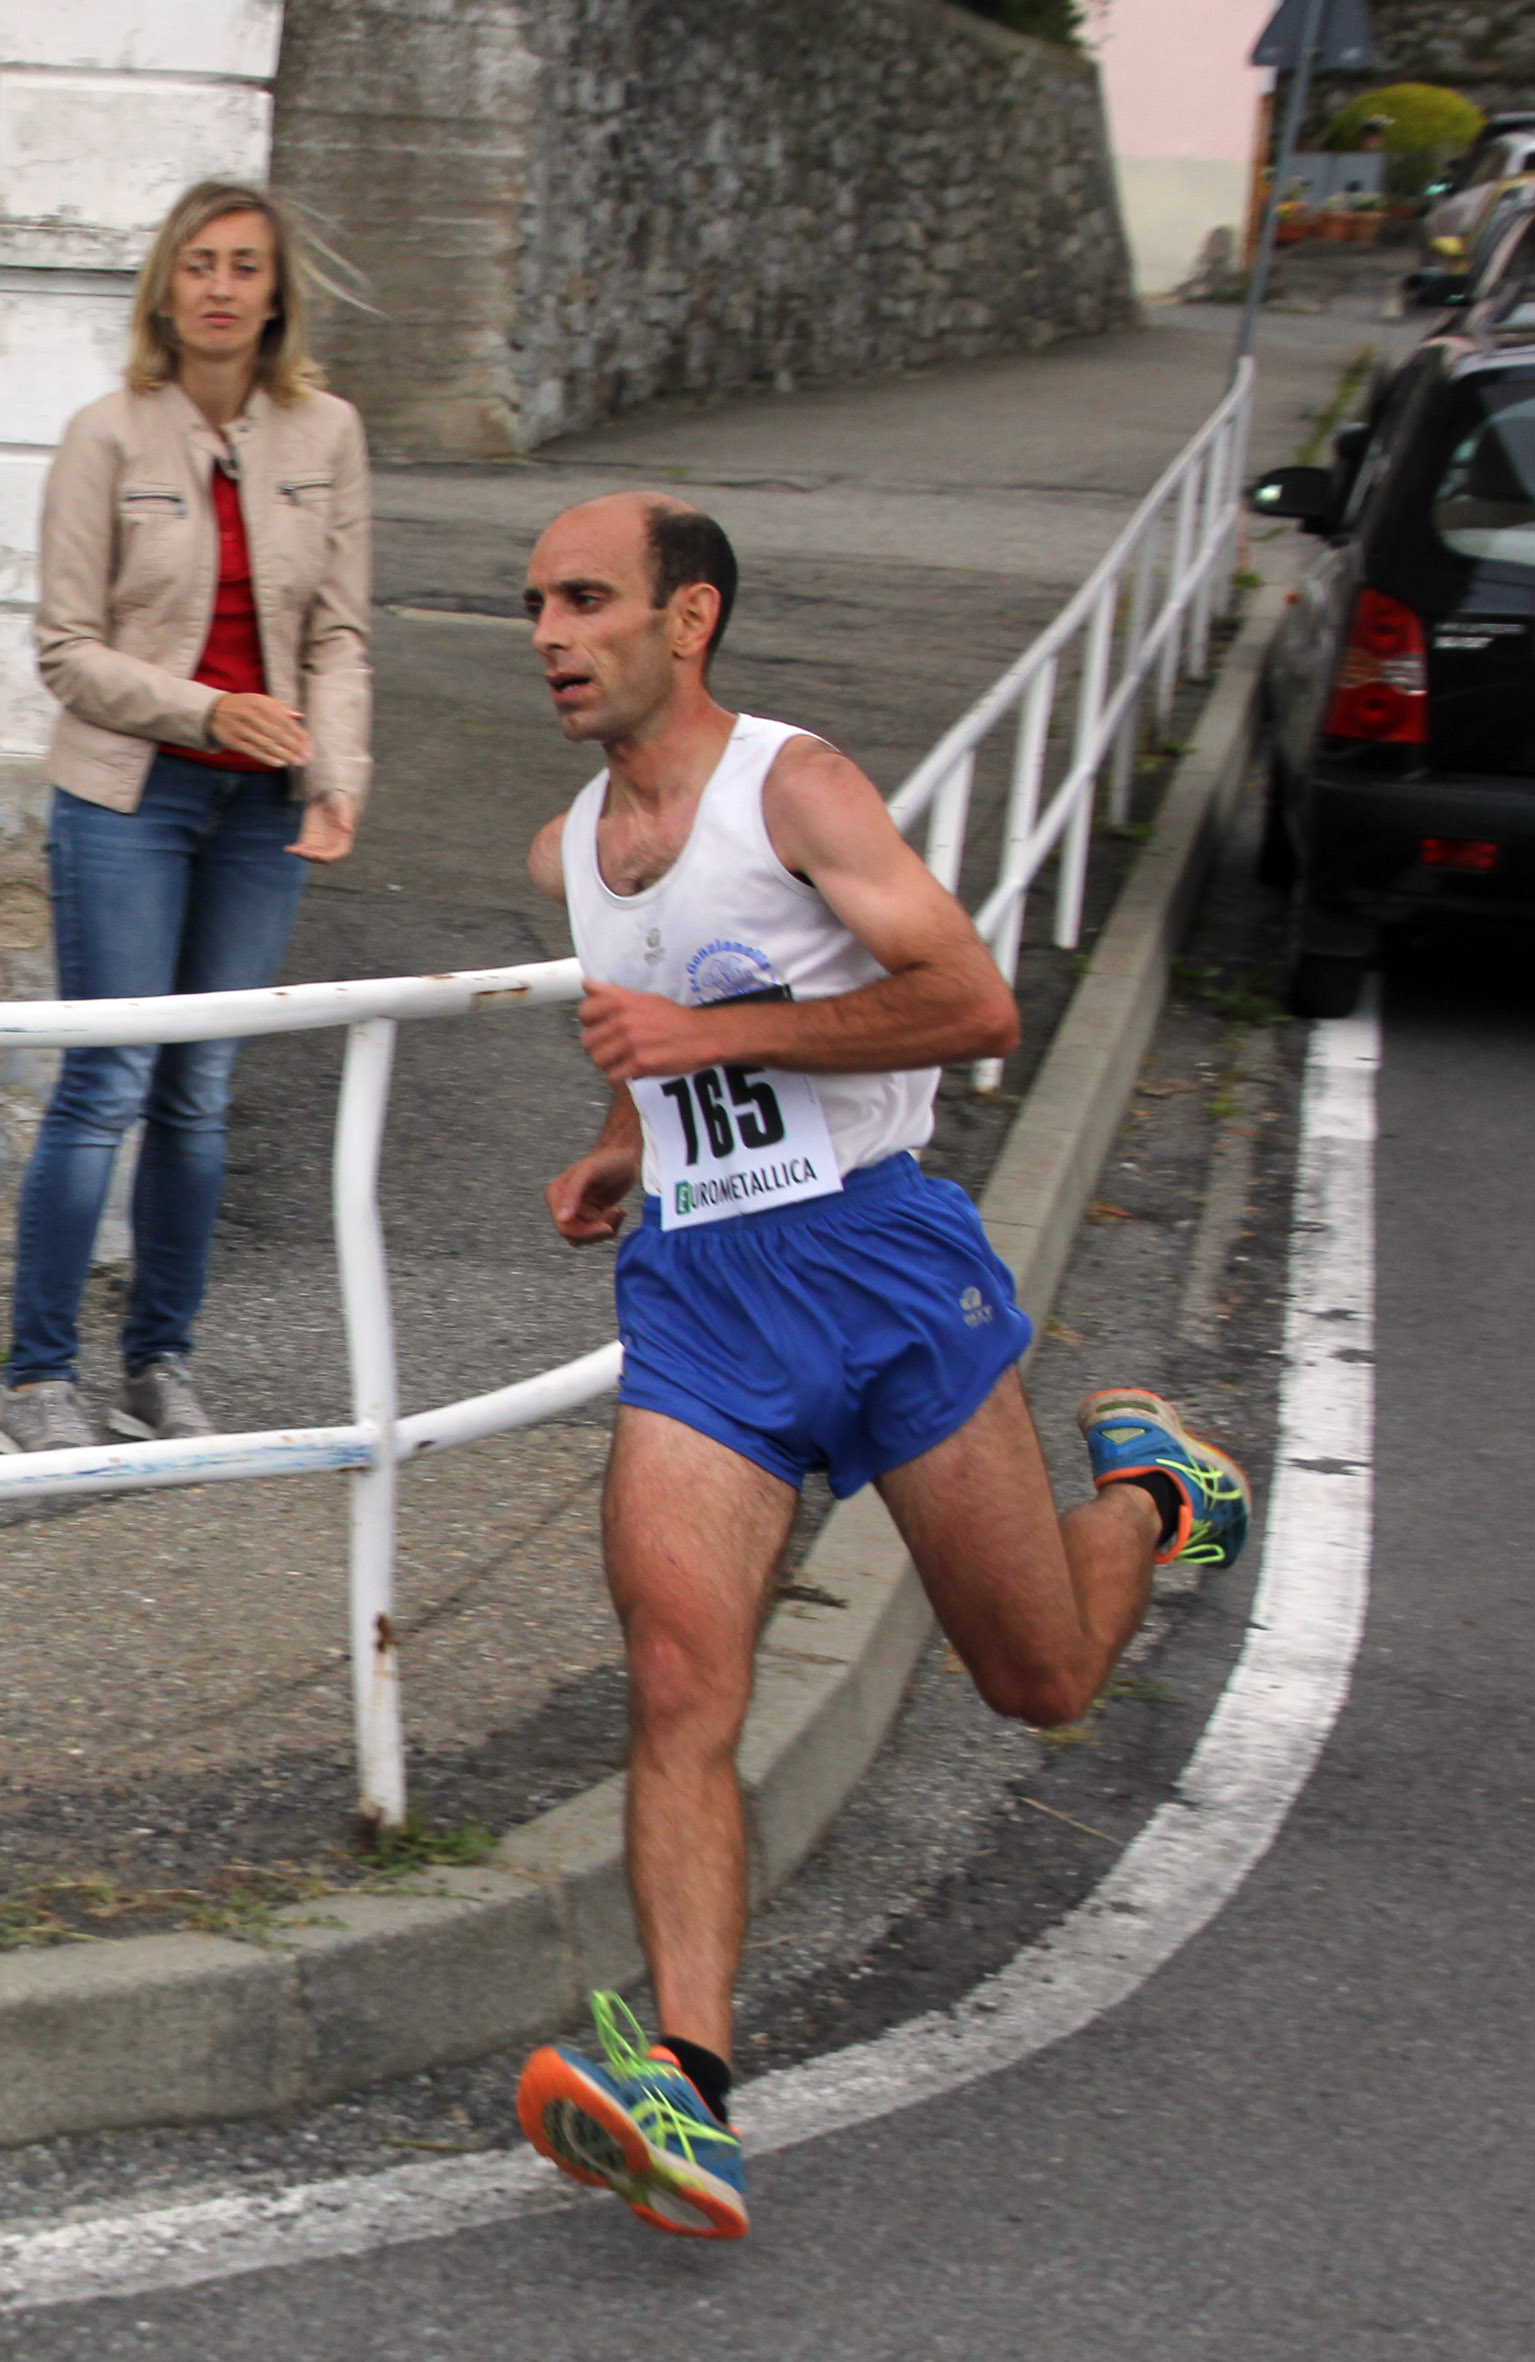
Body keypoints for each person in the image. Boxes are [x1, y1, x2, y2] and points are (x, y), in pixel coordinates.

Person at [512, 493, 1249, 2240]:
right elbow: (654, 1005)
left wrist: (713, 1038)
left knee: (1042, 1680)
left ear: (686, 620)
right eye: (535, 600)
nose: (548, 631)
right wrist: (633, 1133)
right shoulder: (568, 845)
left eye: (585, 599)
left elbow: (976, 1004)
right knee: (682, 1670)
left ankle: (1157, 1498)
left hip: (876, 1261)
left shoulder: (799, 786)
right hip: (703, 1295)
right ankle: (688, 2084)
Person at [1, 180, 370, 1452]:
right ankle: (38, 1378)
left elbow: (339, 633)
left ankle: (160, 1365)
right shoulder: (107, 434)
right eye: (199, 264)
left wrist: (335, 778)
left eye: (245, 266)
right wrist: (209, 713)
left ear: (276, 293)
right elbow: (64, 651)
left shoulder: (328, 434)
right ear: (165, 286)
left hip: (265, 808)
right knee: (105, 1081)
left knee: (200, 1091)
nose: (220, 286)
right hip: (128, 796)